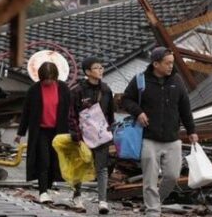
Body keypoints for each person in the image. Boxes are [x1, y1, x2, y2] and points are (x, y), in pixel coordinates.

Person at [121, 47, 198, 217]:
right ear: (156, 64)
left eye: (172, 62)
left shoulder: (177, 81)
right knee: (150, 179)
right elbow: (126, 99)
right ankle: (153, 211)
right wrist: (138, 112)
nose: (171, 66)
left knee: (172, 176)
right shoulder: (140, 80)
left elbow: (185, 107)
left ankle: (156, 202)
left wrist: (191, 130)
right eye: (167, 63)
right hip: (149, 138)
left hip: (172, 139)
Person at [15, 62, 72, 204]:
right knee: (43, 161)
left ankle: (49, 186)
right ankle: (43, 191)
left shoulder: (63, 89)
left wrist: (74, 130)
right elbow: (26, 112)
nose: (48, 81)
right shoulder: (34, 90)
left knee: (55, 161)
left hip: (59, 131)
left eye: (51, 79)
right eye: (45, 79)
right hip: (40, 131)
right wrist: (20, 133)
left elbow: (71, 111)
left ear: (56, 77)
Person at [68, 56, 115, 214]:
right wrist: (76, 134)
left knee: (102, 168)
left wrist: (110, 131)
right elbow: (71, 114)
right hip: (82, 136)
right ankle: (77, 196)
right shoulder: (77, 91)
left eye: (101, 67)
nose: (100, 70)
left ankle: (102, 200)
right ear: (87, 72)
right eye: (96, 68)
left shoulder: (106, 90)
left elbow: (110, 114)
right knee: (80, 166)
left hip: (101, 135)